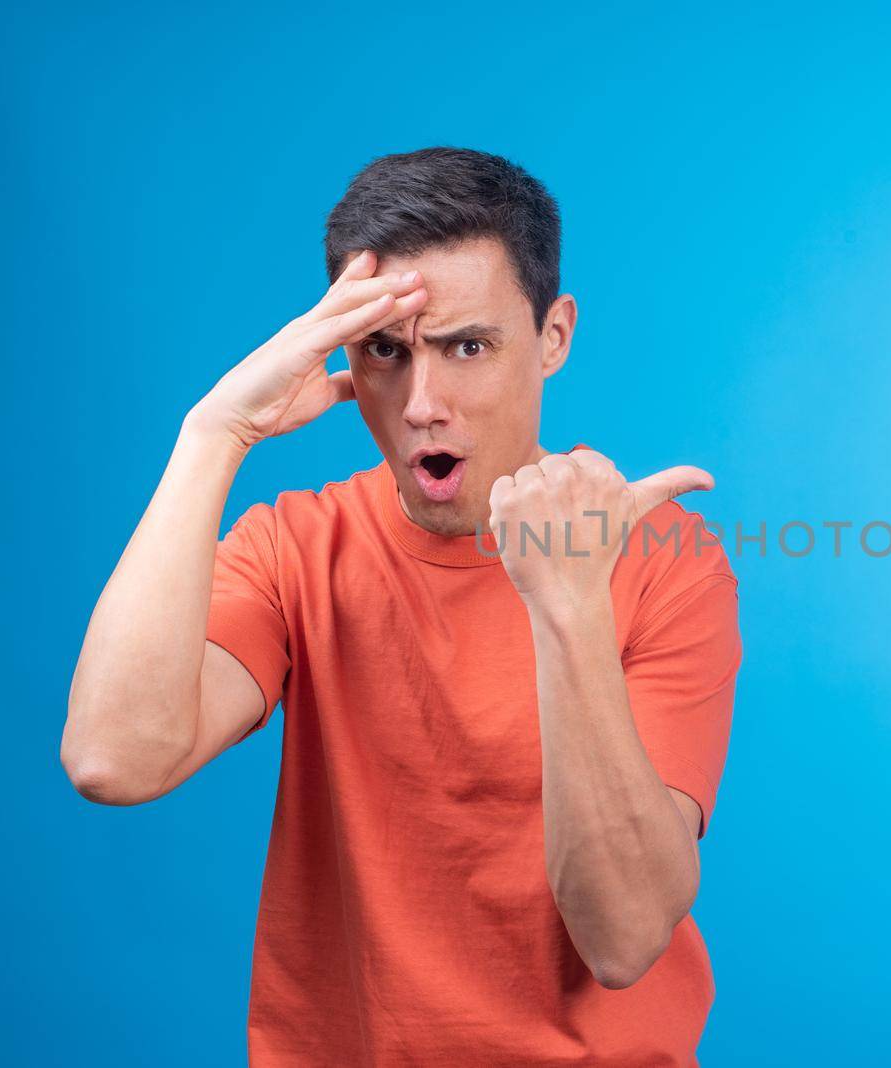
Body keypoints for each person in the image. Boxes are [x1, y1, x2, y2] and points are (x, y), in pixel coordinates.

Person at [61, 147, 743, 1066]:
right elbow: (113, 759)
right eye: (386, 352)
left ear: (553, 336)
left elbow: (623, 940)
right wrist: (215, 433)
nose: (423, 402)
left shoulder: (666, 566)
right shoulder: (295, 546)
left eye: (469, 346)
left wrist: (569, 604)